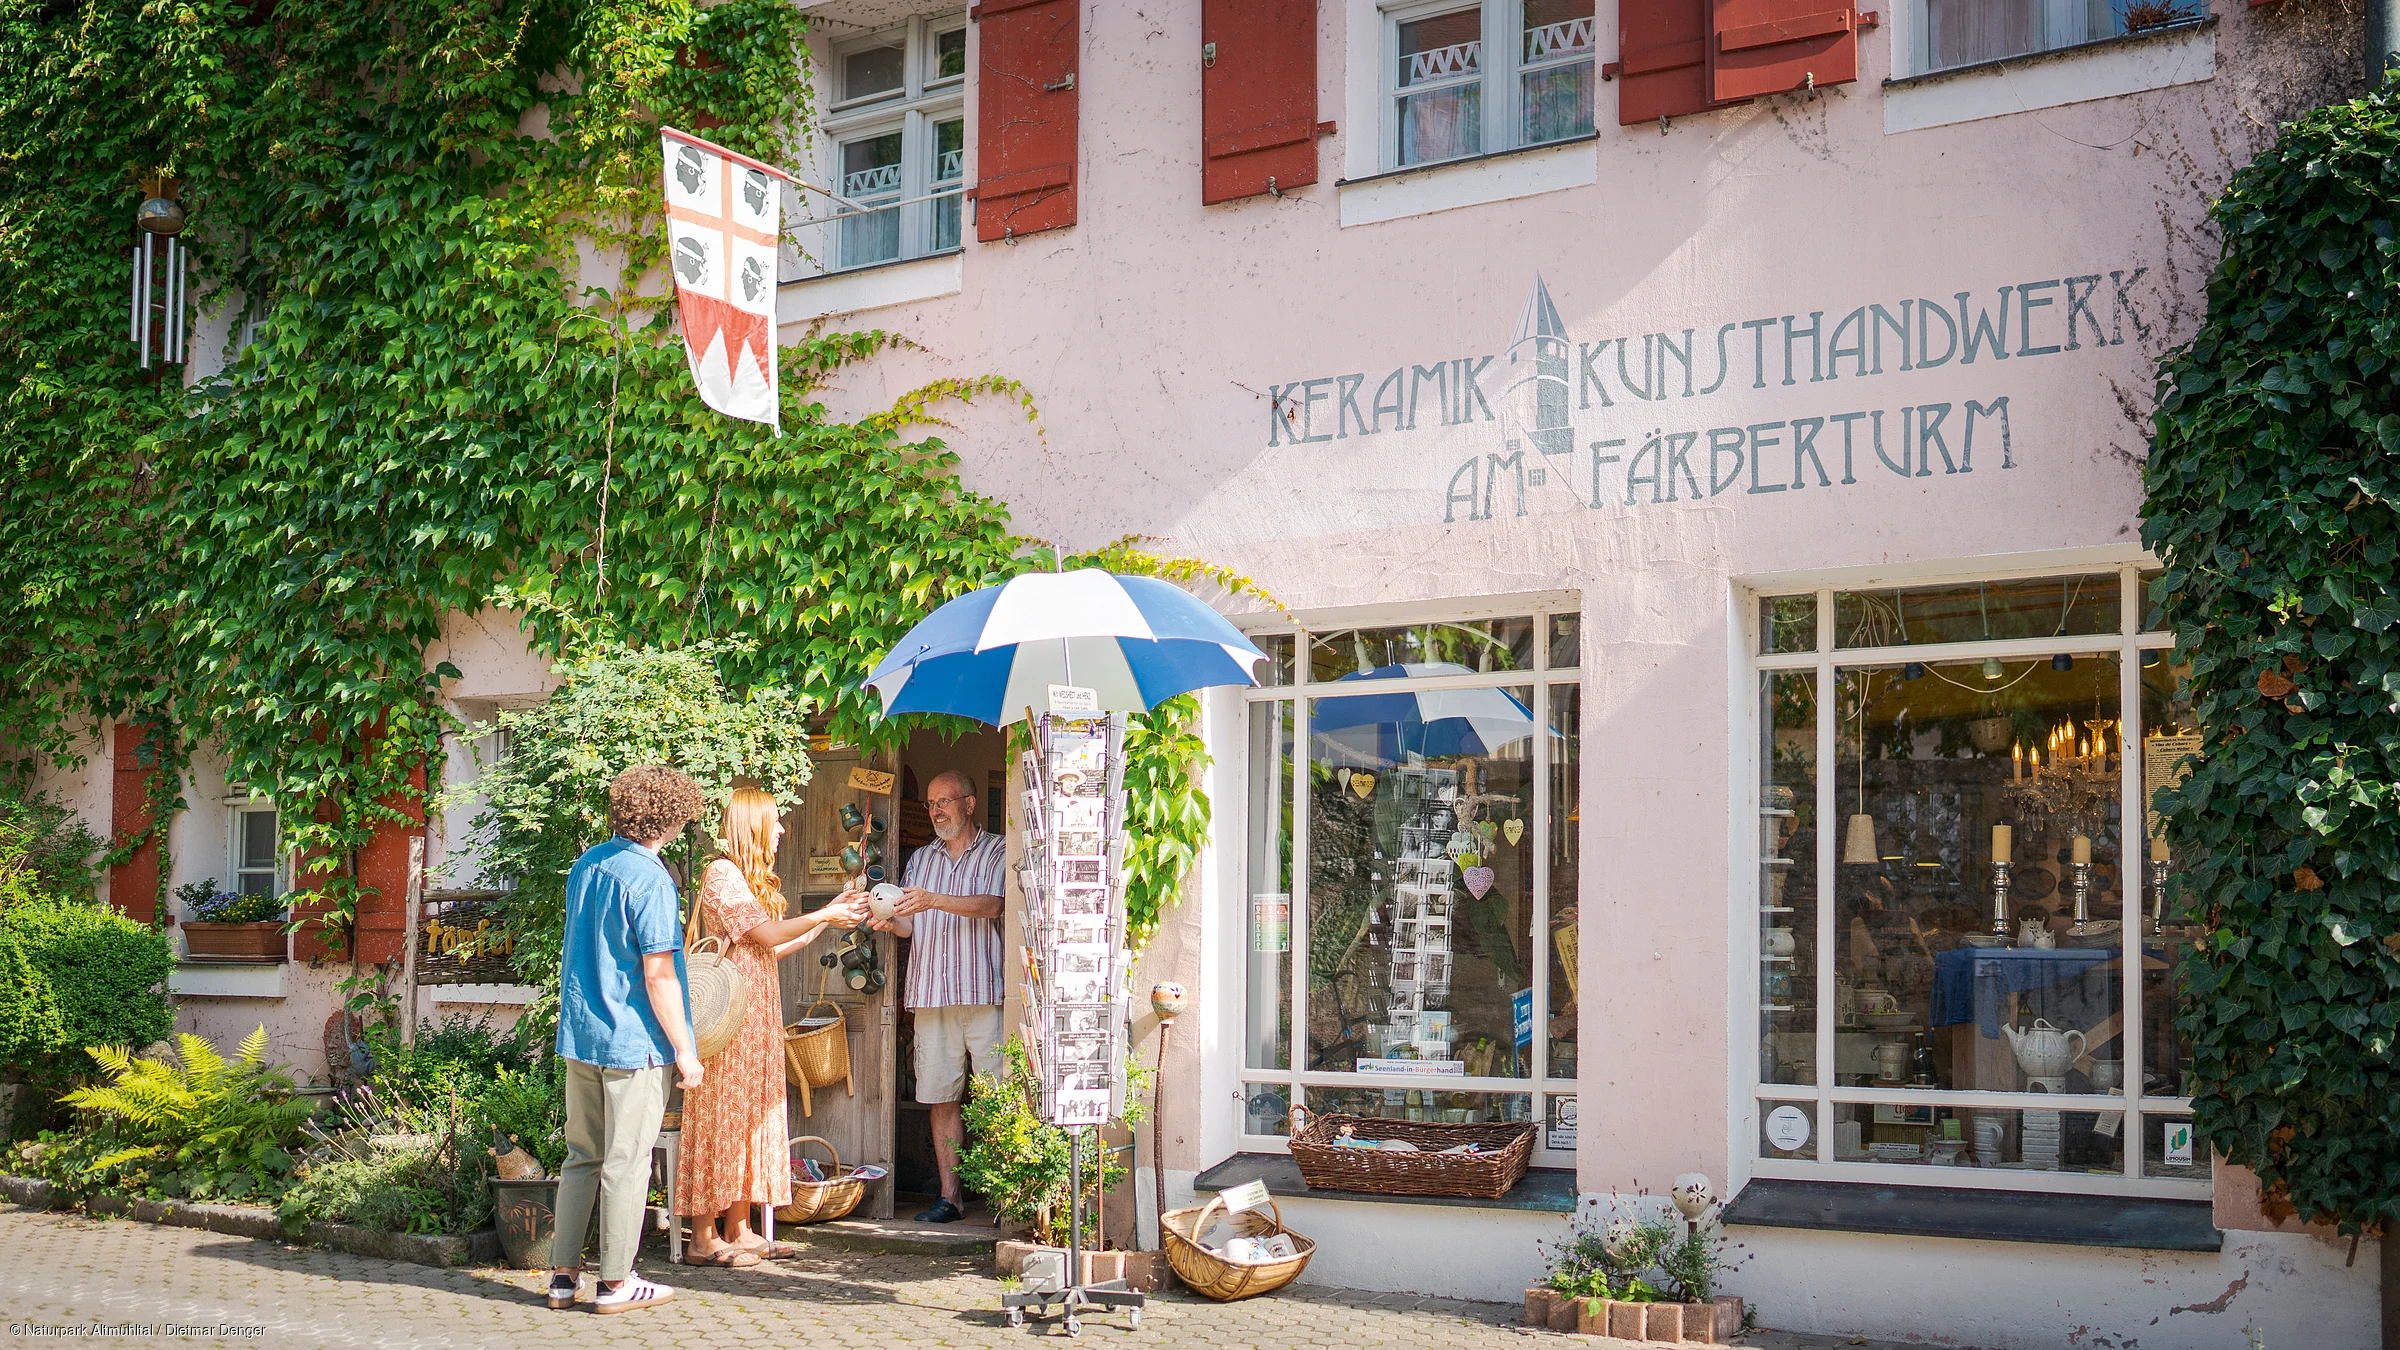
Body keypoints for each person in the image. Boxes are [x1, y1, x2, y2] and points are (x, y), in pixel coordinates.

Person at [676, 786, 868, 1267]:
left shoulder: (745, 880)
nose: (782, 830)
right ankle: (702, 1237)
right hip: (728, 1023)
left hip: (756, 1021)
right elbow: (763, 935)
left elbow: (770, 950)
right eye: (776, 822)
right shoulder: (721, 873)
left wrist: (828, 918)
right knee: (720, 1120)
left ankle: (737, 1228)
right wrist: (825, 912)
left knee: (751, 1120)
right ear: (754, 825)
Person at [549, 764, 707, 1315]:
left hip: (582, 1034)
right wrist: (686, 1052)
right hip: (633, 1042)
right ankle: (616, 1284)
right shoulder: (651, 878)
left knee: (581, 1157)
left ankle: (563, 1279)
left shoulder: (587, 863)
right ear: (672, 817)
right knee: (627, 1161)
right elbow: (658, 974)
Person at [859, 768, 1004, 1224]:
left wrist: (935, 900)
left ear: (969, 803)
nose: (937, 810)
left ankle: (1008, 1196)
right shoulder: (920, 859)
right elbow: (911, 923)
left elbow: (994, 905)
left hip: (986, 991)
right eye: (931, 804)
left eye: (945, 801)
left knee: (998, 1097)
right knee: (942, 1096)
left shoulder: (1000, 849)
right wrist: (891, 923)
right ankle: (950, 1197)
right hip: (932, 991)